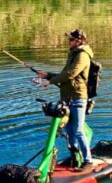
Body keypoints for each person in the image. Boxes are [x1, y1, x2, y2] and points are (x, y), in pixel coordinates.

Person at [37, 29, 95, 169]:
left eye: (70, 40)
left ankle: (88, 161)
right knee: (69, 130)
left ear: (79, 41)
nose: (68, 42)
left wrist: (49, 82)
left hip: (78, 97)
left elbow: (71, 74)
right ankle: (75, 157)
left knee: (78, 130)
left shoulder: (83, 55)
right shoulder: (73, 54)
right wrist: (47, 75)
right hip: (67, 98)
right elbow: (64, 74)